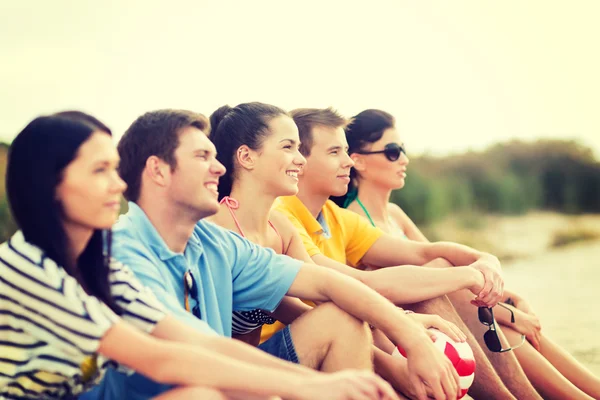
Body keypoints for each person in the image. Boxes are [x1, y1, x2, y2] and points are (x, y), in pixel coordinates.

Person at [88, 108, 460, 400]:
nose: (219, 168)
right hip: (183, 386)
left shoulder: (214, 243)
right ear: (158, 170)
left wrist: (408, 335)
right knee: (201, 395)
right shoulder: (121, 252)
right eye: (203, 156)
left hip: (223, 377)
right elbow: (192, 353)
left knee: (340, 319)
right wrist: (306, 386)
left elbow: (329, 283)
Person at [1, 111, 376, 400]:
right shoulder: (31, 268)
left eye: (114, 169)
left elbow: (202, 343)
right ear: (50, 184)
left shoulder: (98, 267)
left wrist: (315, 384)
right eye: (100, 170)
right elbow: (160, 358)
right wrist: (307, 388)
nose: (117, 183)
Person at [206, 103, 480, 399]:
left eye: (300, 148)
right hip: (218, 377)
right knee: (342, 316)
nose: (300, 160)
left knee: (345, 313)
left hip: (258, 365)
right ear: (246, 157)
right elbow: (332, 290)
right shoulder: (216, 230)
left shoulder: (279, 228)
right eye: (288, 147)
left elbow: (312, 299)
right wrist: (407, 333)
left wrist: (404, 325)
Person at [274, 107, 547, 400]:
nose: (347, 161)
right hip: (307, 347)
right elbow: (361, 285)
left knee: (437, 272)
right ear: (301, 162)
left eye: (345, 151)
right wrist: (467, 276)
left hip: (351, 335)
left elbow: (422, 253)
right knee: (432, 285)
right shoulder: (282, 216)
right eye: (334, 152)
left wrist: (485, 260)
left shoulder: (333, 215)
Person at [337, 108, 600, 400]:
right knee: (506, 327)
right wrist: (508, 313)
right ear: (358, 161)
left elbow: (445, 272)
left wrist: (509, 301)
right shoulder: (353, 221)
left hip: (454, 315)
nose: (404, 159)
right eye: (392, 151)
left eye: (403, 150)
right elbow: (427, 281)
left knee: (508, 327)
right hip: (406, 327)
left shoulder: (395, 214)